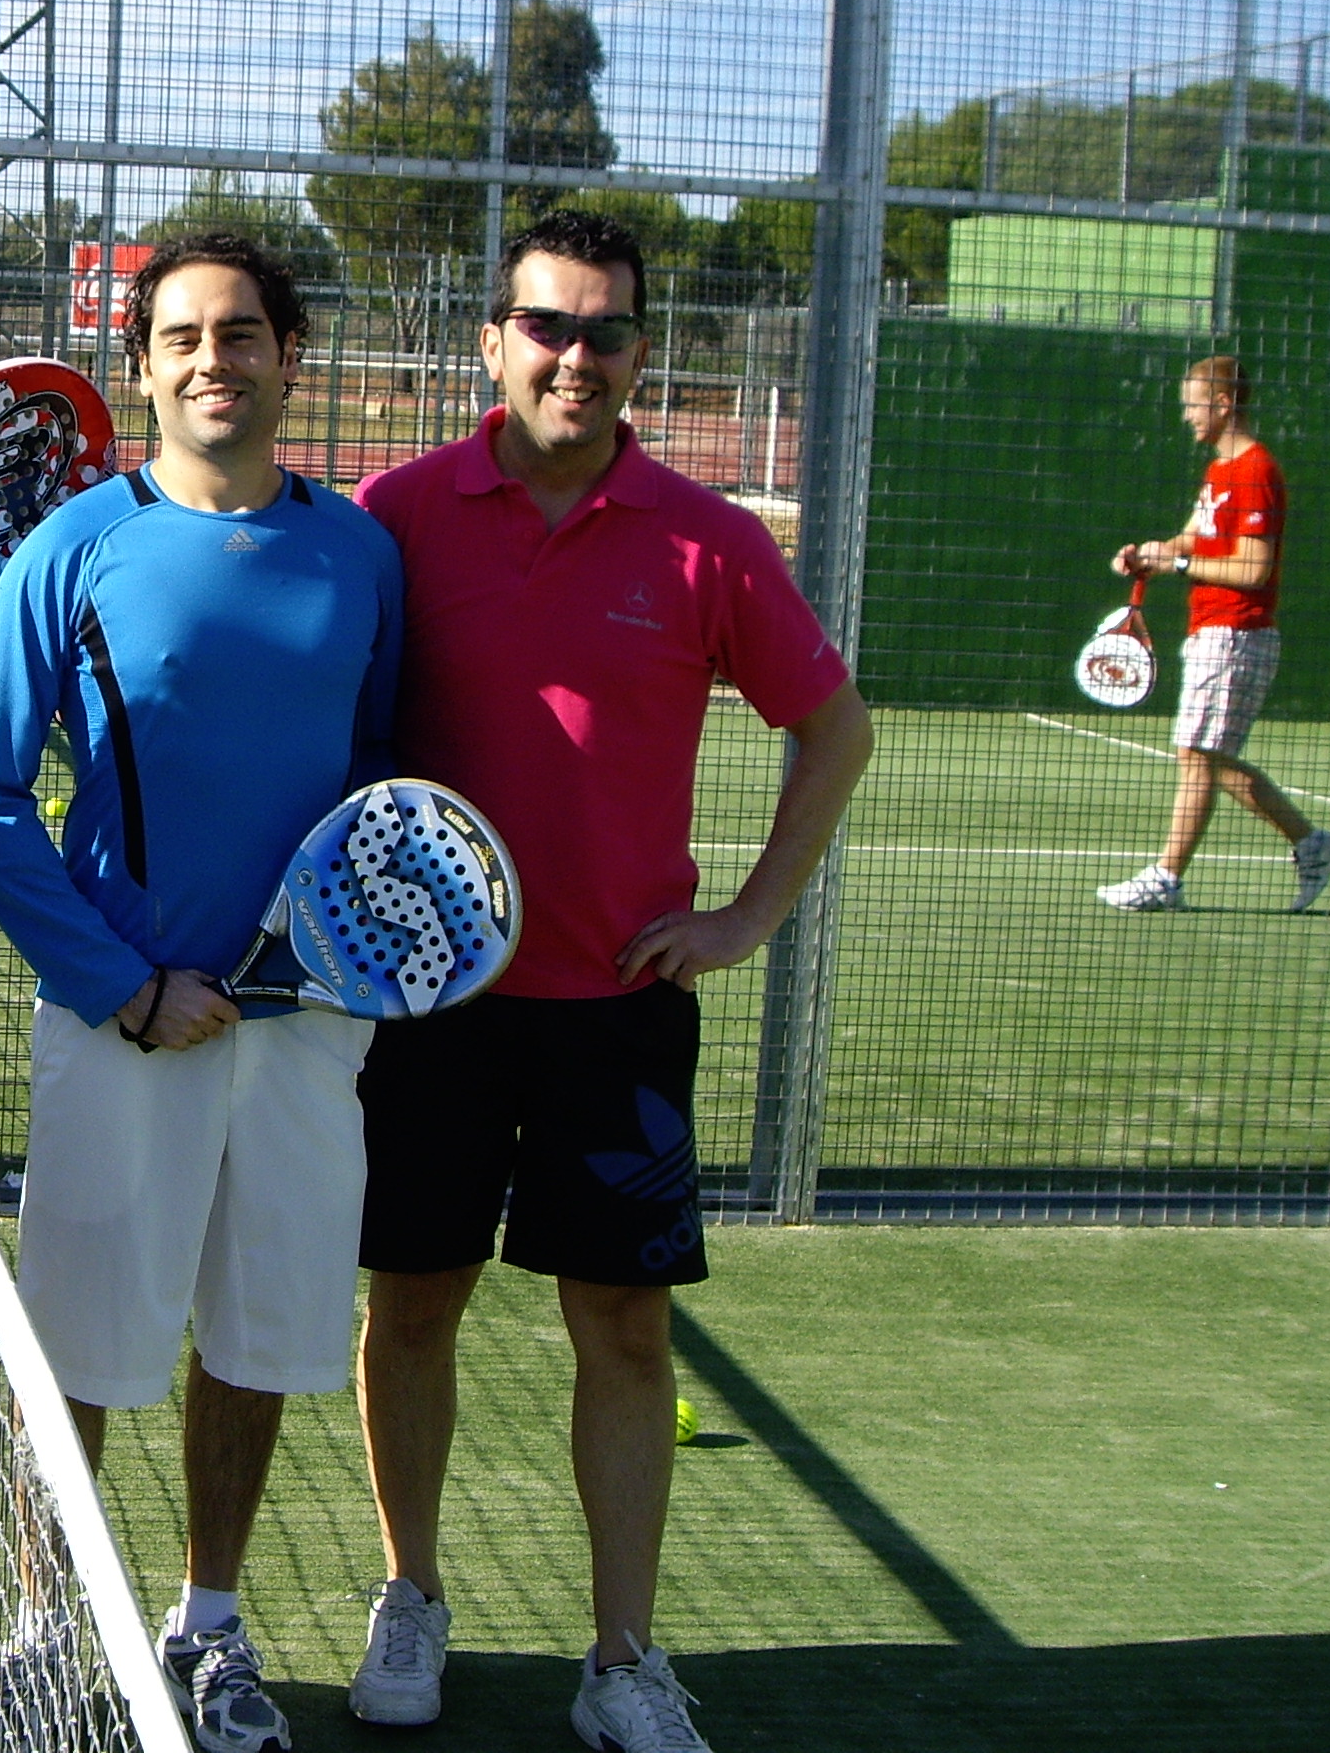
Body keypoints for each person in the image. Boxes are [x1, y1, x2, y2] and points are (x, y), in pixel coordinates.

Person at [347, 210, 874, 1753]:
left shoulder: (712, 540)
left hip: (621, 1014)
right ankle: (411, 1596)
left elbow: (834, 732)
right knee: (413, 1306)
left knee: (628, 1332)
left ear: (642, 352)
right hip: (430, 1012)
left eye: (607, 332)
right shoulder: (396, 517)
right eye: (549, 326)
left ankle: (623, 1659)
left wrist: (746, 919)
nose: (576, 356)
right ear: (494, 341)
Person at [0, 232, 404, 1753]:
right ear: (141, 368)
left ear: (289, 356)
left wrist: (330, 967)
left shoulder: (359, 556)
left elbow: (375, 782)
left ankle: (209, 1624)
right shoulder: (71, 550)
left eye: (243, 332)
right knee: (79, 1349)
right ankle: (42, 1628)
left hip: (305, 1034)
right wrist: (127, 986)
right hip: (124, 1031)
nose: (216, 360)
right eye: (185, 337)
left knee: (258, 1345)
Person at [1096, 355, 1330, 914]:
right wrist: (1150, 554)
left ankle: (1166, 879)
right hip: (1209, 630)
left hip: (1237, 633)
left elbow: (1254, 569)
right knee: (1211, 756)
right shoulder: (1218, 472)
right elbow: (1191, 537)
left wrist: (1181, 565)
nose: (1187, 416)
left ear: (1223, 403)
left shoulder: (1256, 471)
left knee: (1196, 755)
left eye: (1192, 405)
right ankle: (1315, 844)